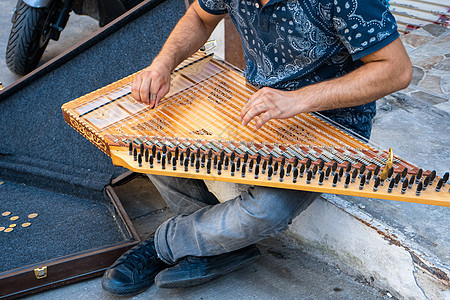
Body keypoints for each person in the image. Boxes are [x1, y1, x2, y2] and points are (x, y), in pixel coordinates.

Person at [102, 0, 412, 295]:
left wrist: (297, 99)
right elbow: (199, 16)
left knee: (268, 210)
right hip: (257, 107)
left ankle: (163, 244)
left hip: (330, 123)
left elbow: (396, 70)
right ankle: (217, 247)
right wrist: (162, 64)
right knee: (150, 142)